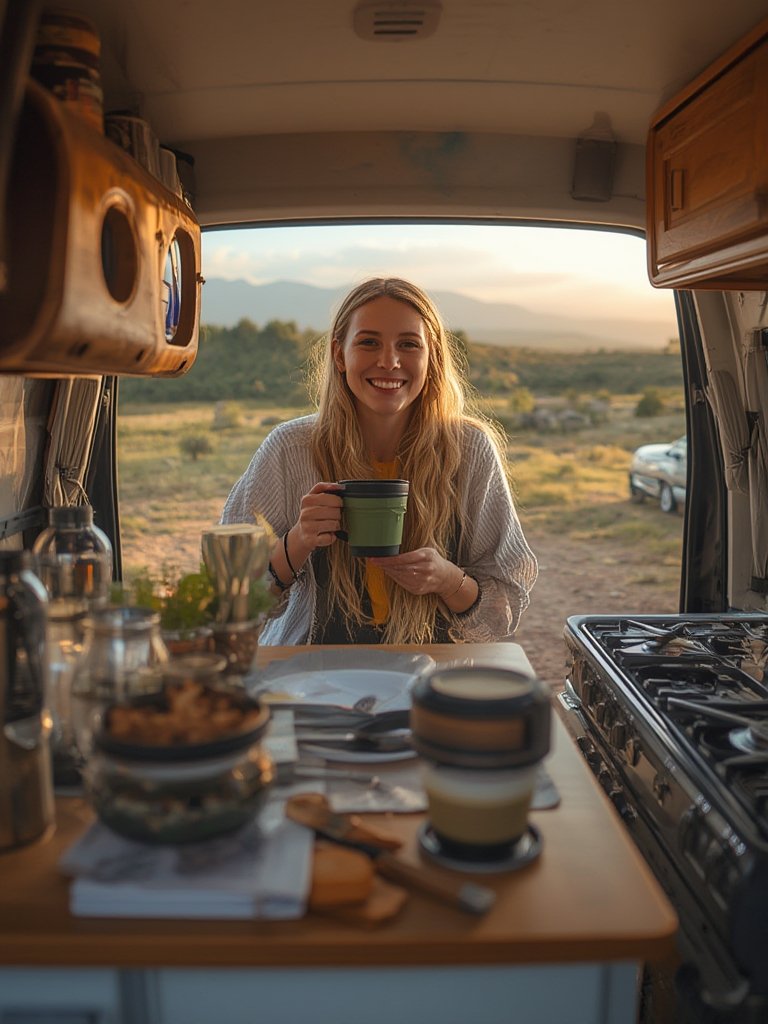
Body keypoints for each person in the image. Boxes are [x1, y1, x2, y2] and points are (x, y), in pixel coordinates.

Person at [220, 277, 537, 645]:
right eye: (369, 342)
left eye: (408, 344)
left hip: (434, 678)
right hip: (312, 677)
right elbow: (230, 598)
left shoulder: (469, 450)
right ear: (339, 355)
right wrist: (298, 542)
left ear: (431, 357)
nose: (389, 361)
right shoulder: (291, 450)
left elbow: (504, 611)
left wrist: (449, 580)